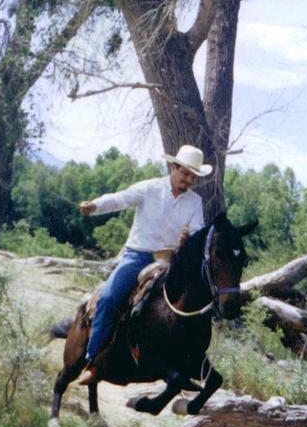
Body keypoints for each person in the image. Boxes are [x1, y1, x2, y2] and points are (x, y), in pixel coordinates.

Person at [76, 144, 211, 385]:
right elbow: (119, 199)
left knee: (190, 303)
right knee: (108, 298)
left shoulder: (195, 202)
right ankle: (94, 360)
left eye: (193, 176)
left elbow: (199, 230)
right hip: (137, 255)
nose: (189, 180)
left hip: (170, 261)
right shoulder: (150, 188)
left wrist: (189, 238)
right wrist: (94, 206)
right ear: (173, 167)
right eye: (185, 173)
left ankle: (181, 362)